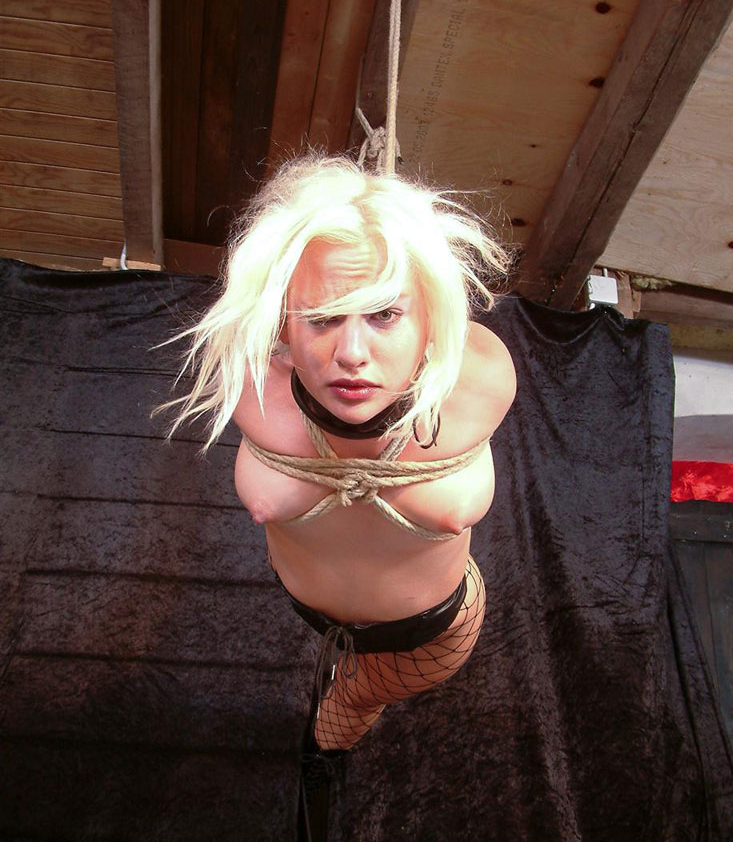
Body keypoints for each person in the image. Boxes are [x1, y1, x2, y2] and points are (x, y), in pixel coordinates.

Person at [159, 155, 516, 753]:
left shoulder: (479, 385)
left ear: (431, 322)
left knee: (347, 711)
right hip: (305, 606)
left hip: (427, 633)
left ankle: (338, 733)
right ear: (283, 323)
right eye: (322, 318)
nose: (351, 353)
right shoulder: (253, 388)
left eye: (384, 315)